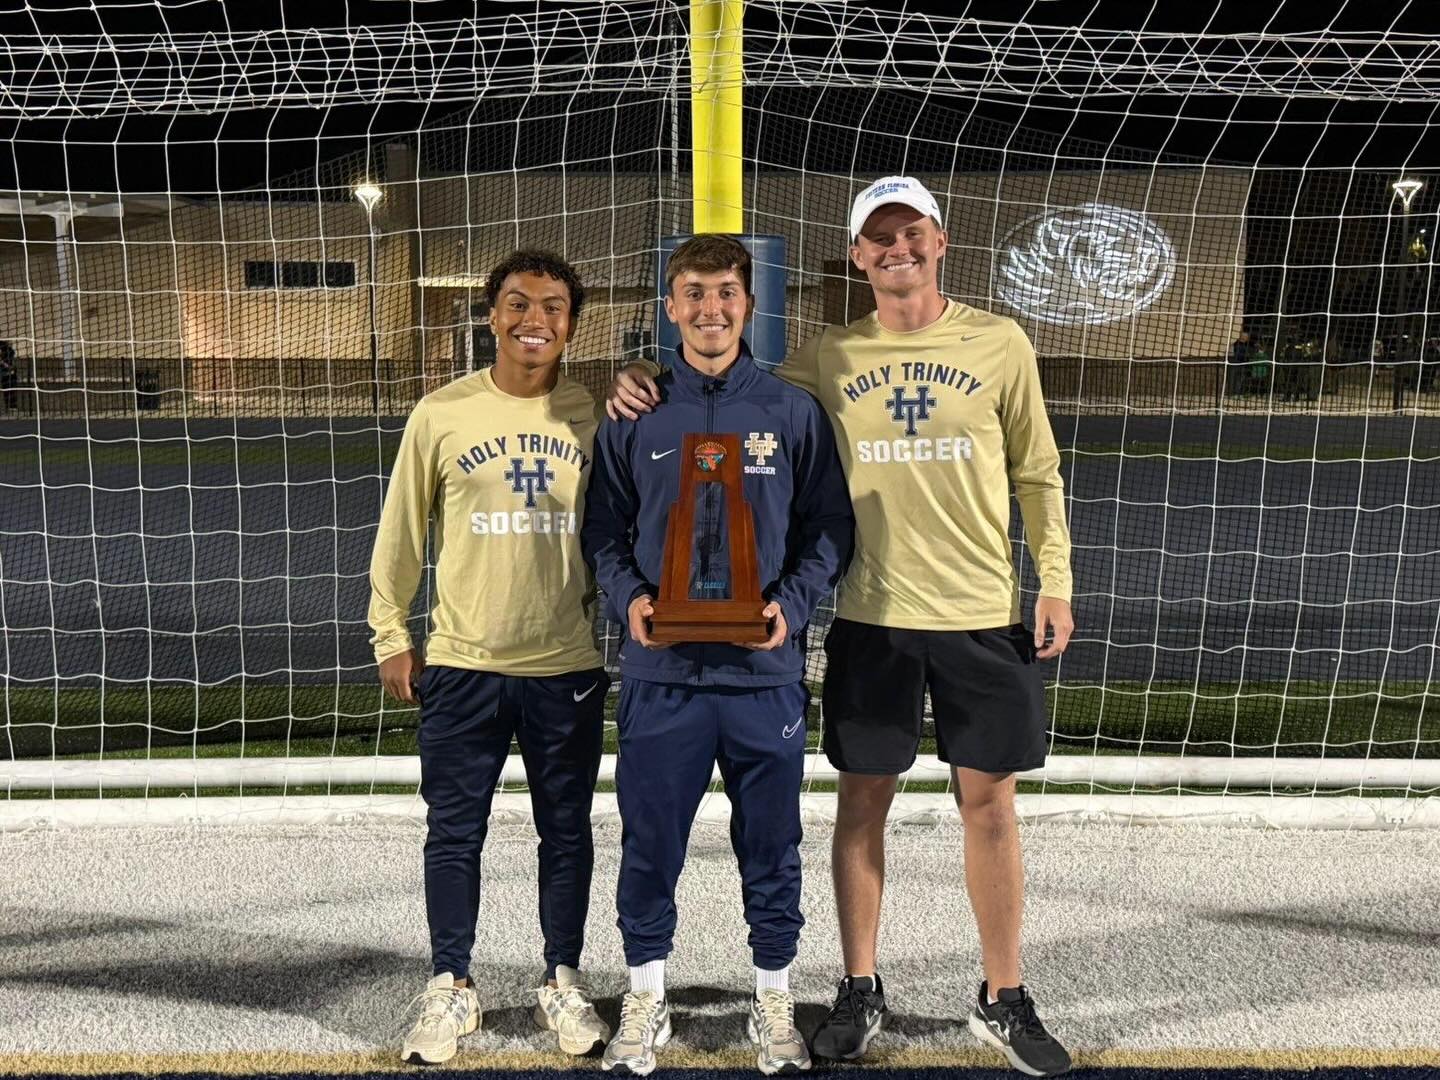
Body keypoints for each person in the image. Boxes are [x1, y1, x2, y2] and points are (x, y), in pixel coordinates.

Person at [607, 178, 1075, 1077]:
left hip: (981, 611)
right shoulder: (828, 356)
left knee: (991, 806)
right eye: (878, 238)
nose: (897, 248)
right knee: (863, 802)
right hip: (871, 615)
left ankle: (1003, 995)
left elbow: (1039, 472)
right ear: (856, 255)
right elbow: (724, 382)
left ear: (942, 240)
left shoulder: (999, 341)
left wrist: (1053, 580)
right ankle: (861, 988)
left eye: (912, 233)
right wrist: (640, 378)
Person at [582, 234, 853, 1076]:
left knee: (771, 844)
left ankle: (772, 1000)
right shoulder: (635, 411)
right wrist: (629, 599)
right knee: (650, 842)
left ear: (749, 301)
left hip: (761, 674)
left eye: (725, 291)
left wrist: (793, 604)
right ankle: (646, 995)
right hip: (661, 674)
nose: (710, 308)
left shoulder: (792, 411)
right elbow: (601, 530)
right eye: (693, 292)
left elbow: (830, 530)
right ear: (670, 306)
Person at [368, 250, 611, 1065]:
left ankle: (562, 978)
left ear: (572, 323)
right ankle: (451, 984)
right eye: (516, 303)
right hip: (464, 664)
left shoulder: (596, 415)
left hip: (565, 665)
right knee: (453, 834)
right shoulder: (442, 413)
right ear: (491, 314)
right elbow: (400, 534)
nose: (532, 318)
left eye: (551, 305)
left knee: (566, 833)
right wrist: (391, 634)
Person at [0, 340, 17, 413]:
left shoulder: (9, 350)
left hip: (7, 373)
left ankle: (12, 407)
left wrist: (2, 362)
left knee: (10, 388)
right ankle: (10, 407)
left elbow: (10, 366)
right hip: (3, 373)